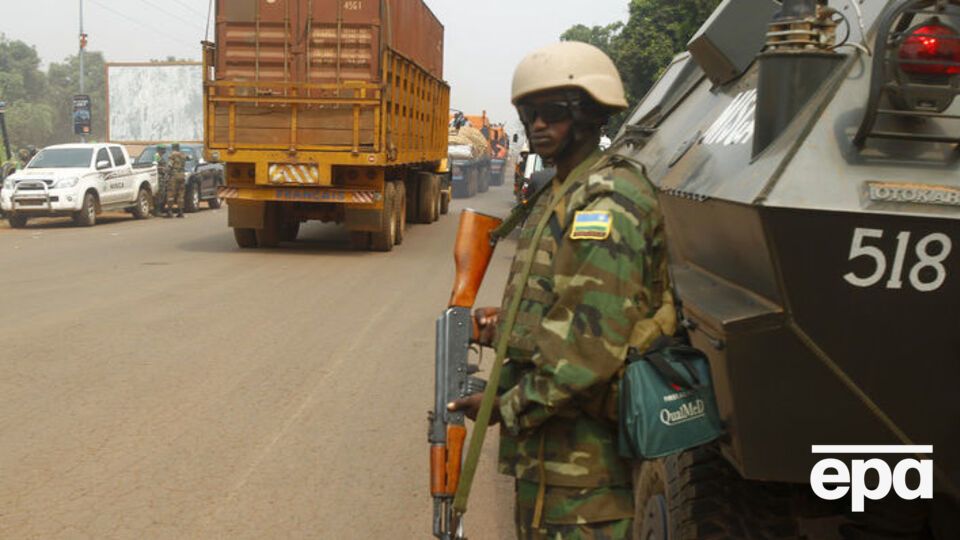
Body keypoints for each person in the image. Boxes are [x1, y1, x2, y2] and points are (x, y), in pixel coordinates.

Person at [449, 41, 675, 538]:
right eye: (529, 113)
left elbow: (586, 349)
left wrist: (502, 406)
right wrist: (500, 337)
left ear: (591, 115)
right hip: (551, 467)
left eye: (553, 112)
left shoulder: (607, 201)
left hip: (587, 477)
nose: (537, 125)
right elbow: (554, 315)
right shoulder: (560, 192)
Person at [165, 143, 187, 218]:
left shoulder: (172, 155)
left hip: (174, 176)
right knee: (181, 194)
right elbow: (189, 158)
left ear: (173, 147)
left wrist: (166, 173)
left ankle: (170, 212)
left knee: (171, 193)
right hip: (182, 175)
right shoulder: (183, 155)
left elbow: (169, 165)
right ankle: (180, 212)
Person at [153, 144, 169, 214]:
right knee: (159, 194)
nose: (164, 151)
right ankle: (157, 210)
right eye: (163, 149)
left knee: (162, 194)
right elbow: (155, 166)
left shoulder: (160, 156)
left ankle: (160, 209)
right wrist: (163, 169)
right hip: (159, 177)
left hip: (162, 177)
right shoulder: (156, 156)